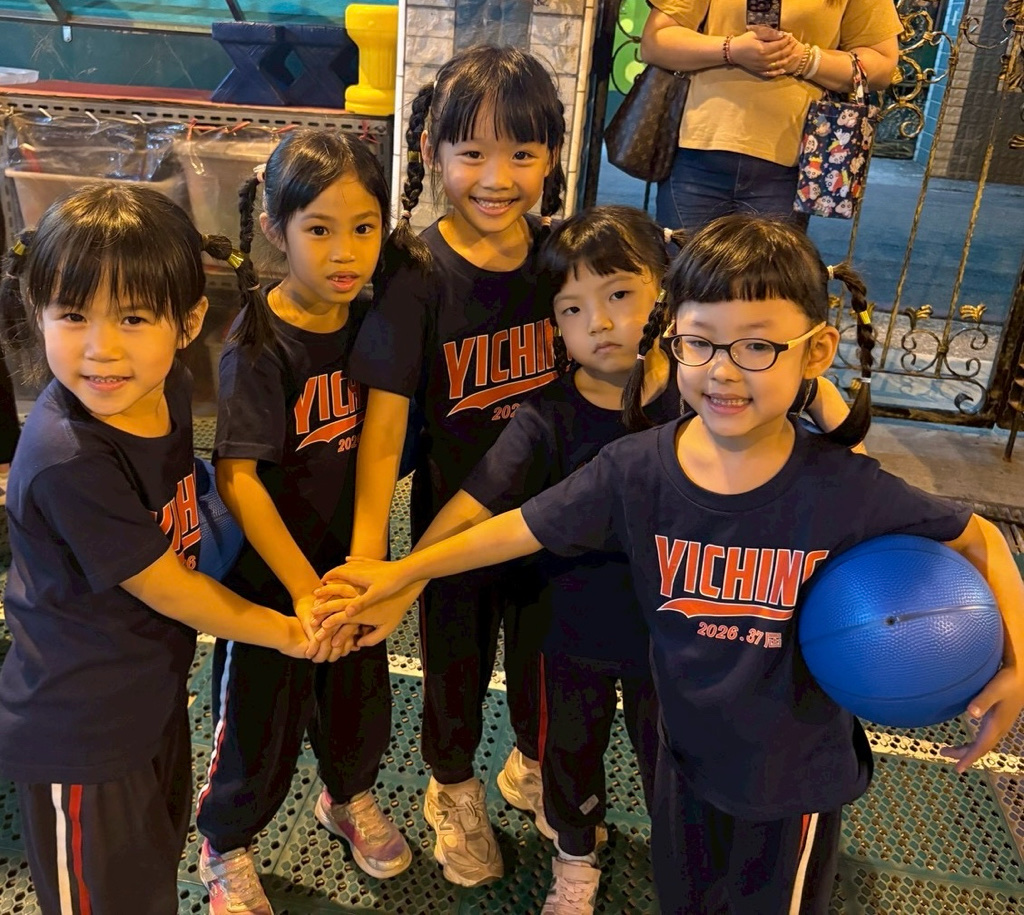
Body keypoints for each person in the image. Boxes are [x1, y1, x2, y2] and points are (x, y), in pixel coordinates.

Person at [313, 214, 1024, 914]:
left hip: (792, 783)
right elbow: (516, 527)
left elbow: (981, 538)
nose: (723, 370)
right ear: (673, 335)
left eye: (757, 346)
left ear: (815, 352)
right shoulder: (636, 466)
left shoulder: (841, 486)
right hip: (684, 765)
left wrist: (1019, 664)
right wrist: (402, 574)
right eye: (701, 343)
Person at [0, 184, 315, 915]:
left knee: (148, 882)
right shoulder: (69, 458)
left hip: (148, 696)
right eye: (72, 315)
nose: (101, 348)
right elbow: (171, 586)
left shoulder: (163, 389)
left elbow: (189, 503)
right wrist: (288, 631)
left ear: (187, 323)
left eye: (133, 317)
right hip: (79, 735)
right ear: (36, 312)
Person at [346, 45, 567, 887]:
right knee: (456, 671)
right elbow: (382, 433)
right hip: (455, 525)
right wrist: (375, 560)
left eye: (523, 152)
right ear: (431, 151)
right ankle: (453, 789)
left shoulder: (563, 257)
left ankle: (532, 766)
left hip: (553, 522)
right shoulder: (416, 274)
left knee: (552, 661)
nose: (497, 178)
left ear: (552, 154)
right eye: (472, 152)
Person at [193, 129, 411, 915]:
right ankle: (225, 843)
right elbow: (238, 478)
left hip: (348, 573)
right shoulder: (257, 341)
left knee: (359, 706)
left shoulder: (376, 318)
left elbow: (383, 443)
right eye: (319, 228)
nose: (345, 251)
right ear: (274, 228)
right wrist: (301, 590)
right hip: (271, 586)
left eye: (363, 227)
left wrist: (361, 570)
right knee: (258, 728)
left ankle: (346, 796)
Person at [639, 0, 902, 230]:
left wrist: (805, 59)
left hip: (791, 163)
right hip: (697, 151)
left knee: (768, 273)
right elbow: (656, 41)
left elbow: (882, 65)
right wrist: (732, 49)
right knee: (685, 268)